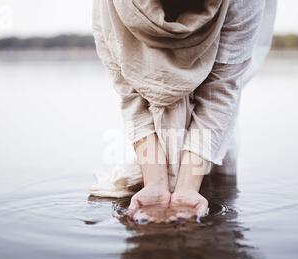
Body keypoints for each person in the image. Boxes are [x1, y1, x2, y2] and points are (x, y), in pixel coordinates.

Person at [91, 0, 277, 223]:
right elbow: (132, 96)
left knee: (221, 143)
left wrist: (187, 189)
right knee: (154, 160)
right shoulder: (109, 6)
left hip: (229, 39)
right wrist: (155, 184)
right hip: (138, 59)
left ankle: (198, 184)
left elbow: (219, 91)